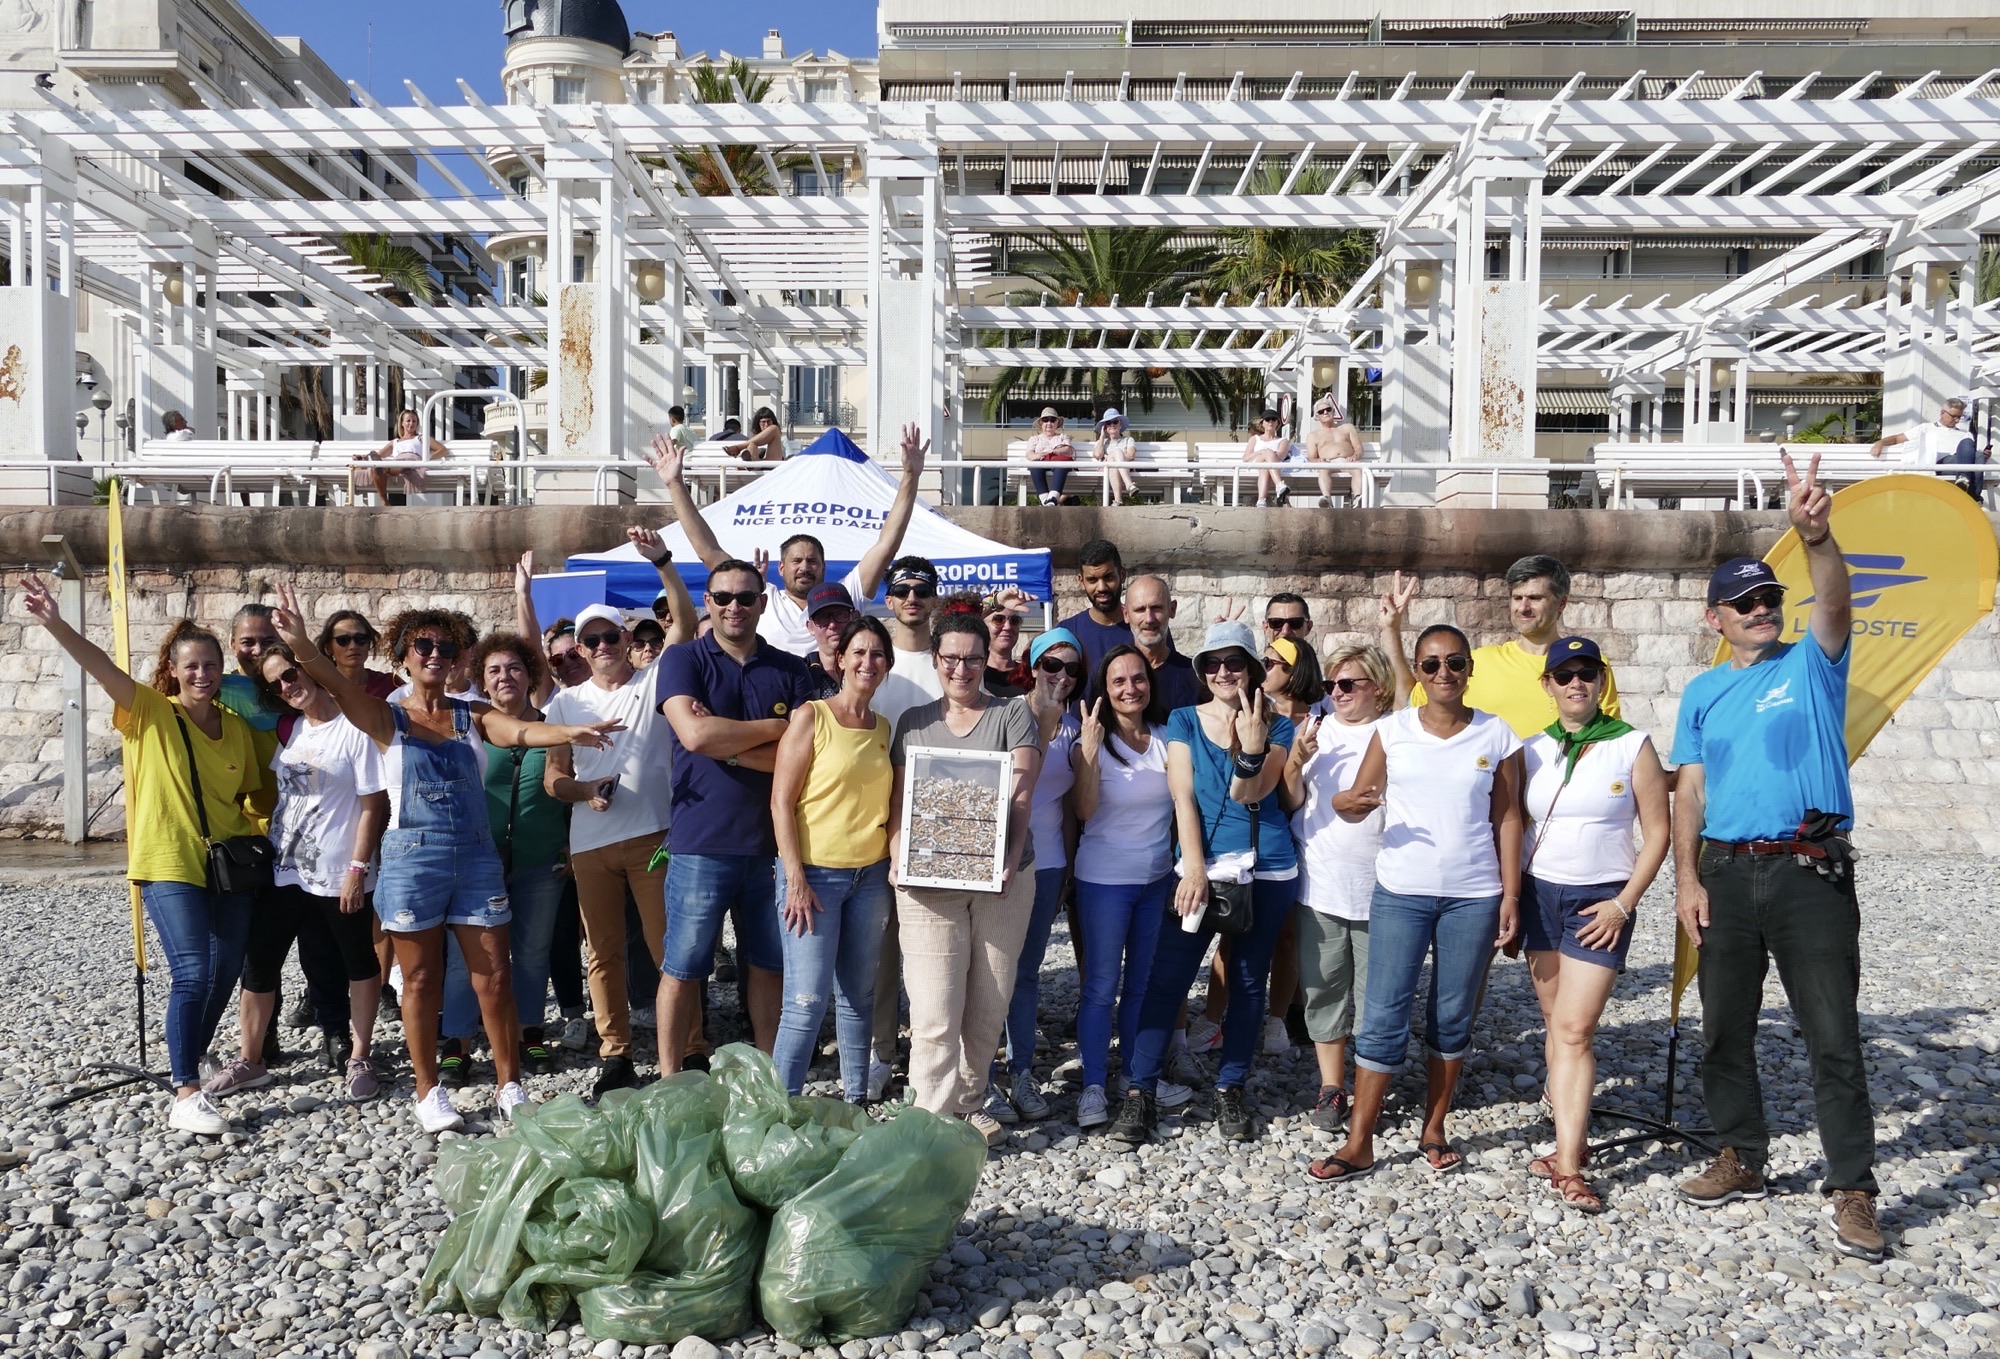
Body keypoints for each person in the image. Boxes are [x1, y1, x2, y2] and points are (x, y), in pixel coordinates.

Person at [269, 587, 623, 1133]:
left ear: (460, 659)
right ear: (404, 657)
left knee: (495, 976)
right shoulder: (385, 718)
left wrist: (568, 731)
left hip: (477, 858)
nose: (436, 655)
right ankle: (428, 1090)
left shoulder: (472, 714)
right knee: (420, 980)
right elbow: (337, 684)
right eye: (423, 645)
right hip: (413, 859)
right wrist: (300, 644)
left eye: (447, 648)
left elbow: (520, 730)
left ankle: (510, 1086)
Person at [1672, 453, 1884, 1261]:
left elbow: (1833, 598)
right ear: (1715, 617)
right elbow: (1688, 792)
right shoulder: (1701, 693)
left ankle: (1854, 1187)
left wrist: (1816, 536)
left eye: (1769, 597)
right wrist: (1686, 878)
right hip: (1725, 870)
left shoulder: (1812, 663)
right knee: (1724, 1026)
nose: (1764, 609)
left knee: (1831, 1030)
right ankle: (1742, 1154)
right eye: (1745, 602)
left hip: (1808, 868)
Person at [19, 589, 259, 1136]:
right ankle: (186, 1093)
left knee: (227, 969)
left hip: (226, 866)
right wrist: (57, 625)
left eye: (211, 666)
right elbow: (100, 665)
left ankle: (191, 1053)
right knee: (192, 971)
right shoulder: (149, 710)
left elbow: (247, 797)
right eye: (191, 666)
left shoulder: (237, 728)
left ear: (224, 670)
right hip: (167, 861)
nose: (202, 674)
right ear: (172, 673)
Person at [1308, 623, 1524, 1184]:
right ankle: (1360, 1141)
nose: (1443, 674)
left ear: (1470, 668)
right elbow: (1355, 799)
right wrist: (1343, 800)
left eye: (1454, 663)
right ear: (1418, 672)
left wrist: (1511, 894)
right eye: (1430, 665)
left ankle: (1435, 1128)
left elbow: (1508, 817)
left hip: (1473, 895)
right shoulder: (1394, 730)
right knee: (1381, 1015)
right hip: (1400, 890)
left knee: (1451, 1015)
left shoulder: (1498, 736)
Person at [1108, 620, 1297, 1146]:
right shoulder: (1183, 720)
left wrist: (1253, 745)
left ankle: (1231, 1084)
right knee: (1167, 978)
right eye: (1211, 663)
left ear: (1252, 668)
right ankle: (1139, 1090)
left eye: (1234, 662)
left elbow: (1246, 792)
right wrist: (1193, 868)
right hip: (1202, 866)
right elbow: (1182, 797)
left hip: (1266, 865)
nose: (1222, 672)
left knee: (1248, 980)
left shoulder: (1276, 725)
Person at [1520, 636, 1670, 1213]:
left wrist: (1623, 904)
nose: (1576, 683)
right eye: (1565, 675)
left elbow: (1657, 833)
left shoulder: (1631, 745)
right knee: (1555, 1025)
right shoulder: (1534, 749)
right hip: (1539, 896)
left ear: (1600, 680)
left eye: (1587, 673)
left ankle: (1569, 1161)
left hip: (1598, 902)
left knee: (1576, 1029)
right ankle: (1566, 1143)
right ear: (1549, 685)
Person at [887, 611, 1044, 1145]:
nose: (961, 668)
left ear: (986, 660)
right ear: (935, 660)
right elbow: (899, 802)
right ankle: (930, 1123)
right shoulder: (912, 723)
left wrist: (1009, 858)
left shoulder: (1014, 715)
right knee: (933, 1010)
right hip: (928, 884)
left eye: (972, 658)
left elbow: (1022, 792)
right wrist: (896, 856)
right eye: (951, 657)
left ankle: (969, 1102)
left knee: (986, 1006)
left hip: (1004, 878)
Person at [205, 643, 388, 1102]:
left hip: (336, 871)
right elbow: (286, 800)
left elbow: (374, 804)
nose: (287, 687)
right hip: (285, 871)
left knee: (356, 962)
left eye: (290, 674)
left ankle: (360, 1055)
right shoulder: (295, 732)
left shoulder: (355, 729)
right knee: (260, 963)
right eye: (276, 684)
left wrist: (357, 869)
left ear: (308, 669)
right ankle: (251, 1059)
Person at [654, 558, 814, 1072]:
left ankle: (769, 1074)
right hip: (702, 842)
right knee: (684, 967)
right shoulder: (682, 659)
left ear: (763, 602)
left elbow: (806, 756)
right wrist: (776, 729)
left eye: (745, 597)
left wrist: (726, 745)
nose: (733, 607)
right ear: (708, 602)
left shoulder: (790, 668)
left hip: (774, 845)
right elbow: (694, 735)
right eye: (722, 597)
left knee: (769, 965)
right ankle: (668, 1077)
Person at [544, 566, 688, 1099]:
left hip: (654, 834)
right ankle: (616, 1053)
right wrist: (587, 792)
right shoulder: (564, 703)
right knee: (602, 953)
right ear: (580, 649)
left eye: (610, 635)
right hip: (591, 842)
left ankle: (689, 1045)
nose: (603, 645)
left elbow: (686, 623)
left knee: (668, 949)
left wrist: (665, 563)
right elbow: (553, 779)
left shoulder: (654, 682)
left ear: (627, 639)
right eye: (592, 639)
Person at [651, 423, 927, 656]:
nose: (804, 567)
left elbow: (886, 546)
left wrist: (910, 477)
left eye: (812, 561)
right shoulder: (760, 598)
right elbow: (708, 550)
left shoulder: (844, 598)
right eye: (796, 560)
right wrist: (675, 484)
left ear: (824, 568)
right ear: (780, 568)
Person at [770, 615, 897, 1099]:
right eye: (859, 652)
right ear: (840, 659)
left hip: (870, 877)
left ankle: (855, 1100)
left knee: (858, 998)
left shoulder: (884, 728)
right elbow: (781, 801)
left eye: (877, 654)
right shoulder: (811, 715)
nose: (868, 661)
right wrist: (795, 876)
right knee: (805, 1002)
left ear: (887, 664)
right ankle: (779, 1112)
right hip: (814, 877)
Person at [1282, 642, 1394, 1131]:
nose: (1337, 693)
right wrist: (1295, 758)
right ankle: (1331, 1087)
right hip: (1321, 882)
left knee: (1375, 995)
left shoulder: (1396, 732)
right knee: (1324, 987)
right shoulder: (1316, 731)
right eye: (1331, 685)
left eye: (1348, 684)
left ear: (1378, 687)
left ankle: (1372, 1086)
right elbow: (1291, 799)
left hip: (1381, 883)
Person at [1069, 644, 1174, 1128]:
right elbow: (1084, 812)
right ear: (1104, 692)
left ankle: (1136, 1078)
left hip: (1155, 882)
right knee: (1100, 987)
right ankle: (1093, 1083)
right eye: (1118, 682)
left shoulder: (1168, 738)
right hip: (1104, 881)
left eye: (1137, 679)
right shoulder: (1090, 741)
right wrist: (1088, 754)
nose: (1130, 688)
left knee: (1142, 986)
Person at [988, 627, 1083, 1124]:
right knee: (987, 971)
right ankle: (982, 1078)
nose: (1062, 676)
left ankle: (1021, 1072)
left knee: (1025, 973)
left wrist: (1065, 867)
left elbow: (1068, 804)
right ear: (1033, 664)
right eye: (1053, 665)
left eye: (1072, 669)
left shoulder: (1079, 723)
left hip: (1048, 864)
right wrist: (1044, 723)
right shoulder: (1007, 713)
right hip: (1005, 859)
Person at [864, 555, 948, 1094]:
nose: (913, 598)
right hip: (873, 826)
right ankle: (877, 1049)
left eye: (922, 589)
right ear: (889, 600)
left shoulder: (951, 663)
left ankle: (930, 1055)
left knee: (931, 950)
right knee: (878, 950)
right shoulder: (872, 664)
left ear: (934, 599)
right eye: (903, 590)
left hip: (937, 824)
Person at [1418, 555, 1621, 739]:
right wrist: (1391, 629)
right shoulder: (1476, 663)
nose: (1523, 608)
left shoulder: (1590, 667)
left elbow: (1608, 735)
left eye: (1534, 598)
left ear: (1561, 604)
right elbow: (1411, 706)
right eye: (1517, 598)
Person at [1870, 395, 1981, 498]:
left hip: (1960, 462)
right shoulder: (1926, 428)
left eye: (1959, 417)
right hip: (1940, 463)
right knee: (1970, 448)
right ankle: (1973, 497)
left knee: (1978, 455)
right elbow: (1897, 438)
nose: (1956, 420)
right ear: (1942, 413)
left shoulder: (1965, 433)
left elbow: (1969, 454)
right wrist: (1880, 443)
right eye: (1953, 416)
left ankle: (1964, 480)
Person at [1123, 575, 1201, 712]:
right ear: (1126, 614)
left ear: (1172, 609)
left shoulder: (1196, 677)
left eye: (1156, 608)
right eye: (1140, 610)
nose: (1149, 619)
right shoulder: (1112, 676)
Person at [1057, 538, 1133, 677]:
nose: (1101, 587)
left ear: (1122, 575)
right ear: (1081, 581)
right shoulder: (1067, 632)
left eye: (1108, 577)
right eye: (1092, 580)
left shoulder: (1145, 626)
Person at [367, 409, 449, 506]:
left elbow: (443, 450)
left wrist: (428, 457)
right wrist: (363, 457)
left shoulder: (421, 438)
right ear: (402, 423)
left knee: (389, 465)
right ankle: (384, 500)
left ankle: (385, 469)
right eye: (408, 421)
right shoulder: (395, 442)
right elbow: (378, 456)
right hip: (397, 462)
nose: (411, 423)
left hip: (413, 463)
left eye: (414, 421)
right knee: (377, 466)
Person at [318, 610, 399, 700]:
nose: (353, 646)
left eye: (360, 639)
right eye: (343, 640)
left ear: (368, 644)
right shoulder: (318, 690)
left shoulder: (390, 685)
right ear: (329, 648)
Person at [1303, 396, 1364, 508]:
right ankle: (1327, 498)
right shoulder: (1313, 436)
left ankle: (1358, 498)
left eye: (1328, 409)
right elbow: (1311, 458)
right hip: (1328, 463)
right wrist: (1319, 460)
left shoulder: (1347, 428)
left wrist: (1356, 456)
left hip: (1348, 461)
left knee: (1358, 467)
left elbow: (1359, 448)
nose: (1325, 412)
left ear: (1333, 411)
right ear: (1317, 416)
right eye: (1321, 411)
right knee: (1323, 468)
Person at [801, 582, 856, 699]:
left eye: (840, 614)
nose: (832, 624)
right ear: (810, 627)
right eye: (823, 617)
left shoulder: (871, 668)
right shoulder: (800, 674)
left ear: (854, 618)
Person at [983, 588, 1033, 695]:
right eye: (998, 620)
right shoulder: (972, 673)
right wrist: (995, 601)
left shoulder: (1028, 674)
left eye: (1014, 621)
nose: (1007, 627)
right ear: (983, 626)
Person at [1025, 407, 1077, 506]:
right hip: (1040, 463)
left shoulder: (1063, 437)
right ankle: (1045, 500)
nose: (1049, 423)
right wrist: (1037, 455)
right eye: (1045, 420)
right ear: (1041, 423)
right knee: (1035, 467)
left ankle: (1053, 498)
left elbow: (1068, 450)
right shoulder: (1034, 439)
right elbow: (1029, 454)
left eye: (1052, 420)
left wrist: (1052, 452)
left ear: (1057, 423)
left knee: (1062, 466)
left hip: (1059, 463)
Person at [1242, 409, 1290, 508]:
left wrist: (1268, 454)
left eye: (1273, 419)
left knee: (1265, 465)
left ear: (1277, 423)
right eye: (1268, 419)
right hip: (1255, 464)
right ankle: (1279, 485)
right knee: (1267, 454)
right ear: (1262, 423)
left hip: (1271, 466)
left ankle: (1261, 500)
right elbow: (1246, 458)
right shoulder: (1255, 439)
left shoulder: (1283, 440)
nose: (1270, 422)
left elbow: (1281, 455)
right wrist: (1260, 452)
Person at [1094, 408, 1139, 506]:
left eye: (1115, 422)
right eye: (1108, 423)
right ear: (1105, 427)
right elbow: (1097, 455)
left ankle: (1118, 500)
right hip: (1106, 470)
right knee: (1113, 457)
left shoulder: (1128, 439)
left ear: (1120, 424)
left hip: (1126, 468)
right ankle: (1129, 485)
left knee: (1116, 454)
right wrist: (1102, 436)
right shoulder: (1101, 442)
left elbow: (1131, 455)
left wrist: (1114, 456)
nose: (1112, 425)